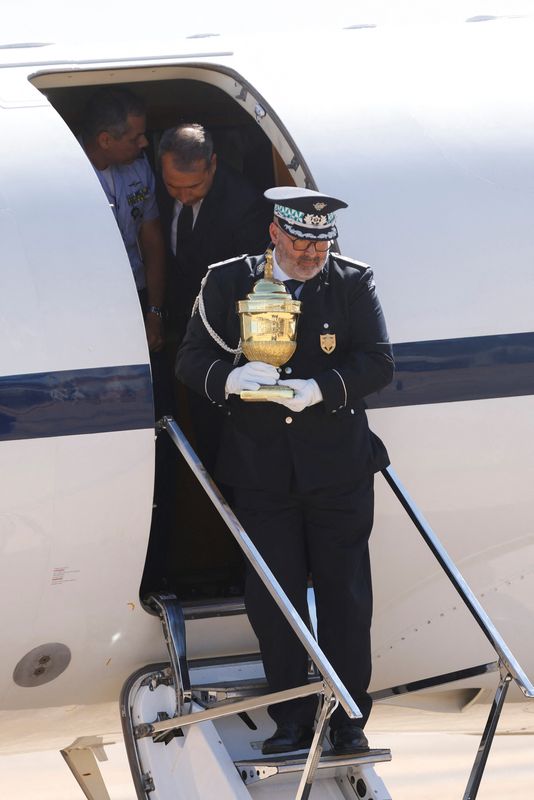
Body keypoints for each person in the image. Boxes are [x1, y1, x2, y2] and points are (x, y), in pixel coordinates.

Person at [175, 187, 394, 756]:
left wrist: (320, 389)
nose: (311, 255)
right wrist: (228, 380)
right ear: (275, 232)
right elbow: (190, 358)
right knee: (275, 598)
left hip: (338, 471)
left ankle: (347, 715)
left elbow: (378, 361)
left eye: (320, 246)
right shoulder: (228, 282)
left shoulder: (350, 282)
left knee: (346, 597)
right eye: (300, 243)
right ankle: (292, 717)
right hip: (263, 473)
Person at [158, 122, 271, 473]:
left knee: (218, 441)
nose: (183, 196)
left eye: (193, 187)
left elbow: (252, 285)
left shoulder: (244, 205)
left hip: (221, 341)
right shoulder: (158, 189)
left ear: (213, 165)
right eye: (173, 186)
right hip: (177, 329)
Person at [81, 87, 167, 363]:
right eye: (135, 137)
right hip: (87, 301)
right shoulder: (67, 174)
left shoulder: (139, 169)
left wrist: (154, 311)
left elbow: (153, 241)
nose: (144, 143)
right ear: (105, 140)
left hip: (137, 291)